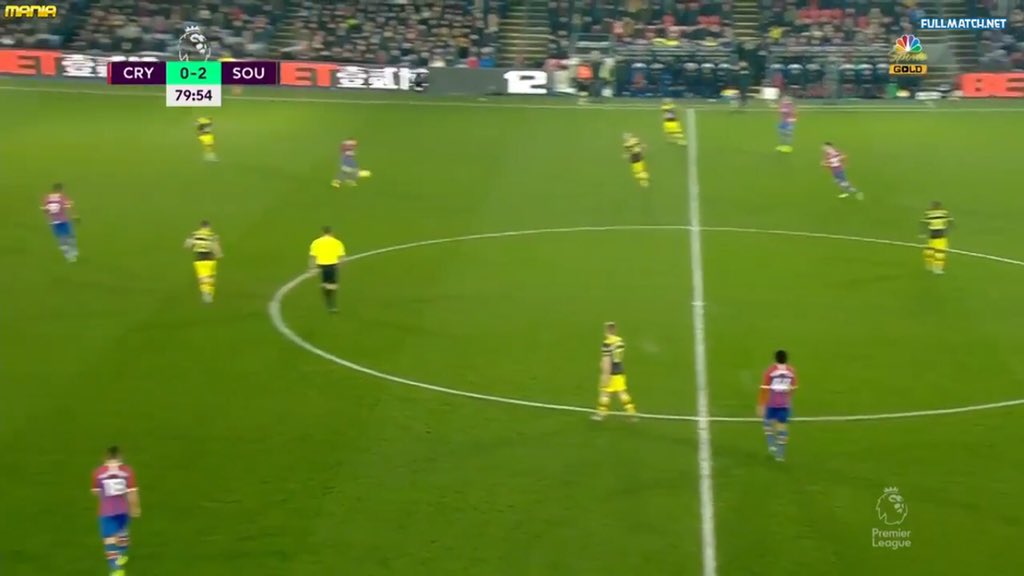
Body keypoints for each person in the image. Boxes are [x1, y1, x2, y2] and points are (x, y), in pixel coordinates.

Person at [92, 446, 140, 576]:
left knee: (110, 540)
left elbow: (95, 492)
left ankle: (116, 566)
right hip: (122, 510)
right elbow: (132, 492)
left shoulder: (98, 473)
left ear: (105, 458)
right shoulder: (127, 471)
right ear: (120, 458)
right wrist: (135, 507)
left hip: (106, 512)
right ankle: (119, 561)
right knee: (118, 536)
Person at [593, 322, 638, 420]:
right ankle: (631, 412)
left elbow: (607, 361)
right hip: (620, 370)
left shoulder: (607, 344)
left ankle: (601, 413)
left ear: (607, 331)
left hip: (611, 372)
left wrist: (605, 375)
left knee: (605, 392)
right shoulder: (620, 342)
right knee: (622, 392)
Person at [758, 350, 798, 462]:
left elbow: (764, 388)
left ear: (775, 358)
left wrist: (761, 404)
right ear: (786, 359)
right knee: (782, 427)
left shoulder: (770, 371)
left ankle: (771, 443)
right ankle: (780, 454)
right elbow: (794, 387)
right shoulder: (791, 371)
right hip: (784, 404)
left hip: (771, 403)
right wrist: (787, 396)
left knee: (767, 422)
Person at [309, 226, 346, 312]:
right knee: (333, 285)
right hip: (332, 265)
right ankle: (331, 304)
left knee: (327, 283)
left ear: (322, 233)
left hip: (320, 265)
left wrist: (312, 268)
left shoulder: (316, 242)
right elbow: (342, 257)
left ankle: (326, 294)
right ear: (331, 233)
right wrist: (341, 265)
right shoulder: (337, 242)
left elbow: (312, 256)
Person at [183, 220, 223, 303]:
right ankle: (209, 293)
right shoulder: (212, 235)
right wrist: (219, 255)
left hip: (199, 258)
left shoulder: (194, 234)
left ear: (200, 226)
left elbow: (187, 245)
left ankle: (205, 293)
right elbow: (215, 246)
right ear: (209, 226)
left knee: (202, 276)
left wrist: (194, 246)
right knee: (211, 276)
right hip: (210, 258)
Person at [40, 182, 78, 262]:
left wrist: (49, 219)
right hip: (63, 220)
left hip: (54, 221)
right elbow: (69, 206)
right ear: (60, 189)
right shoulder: (62, 197)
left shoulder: (47, 197)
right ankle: (72, 253)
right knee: (71, 236)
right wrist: (75, 216)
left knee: (61, 238)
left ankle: (67, 254)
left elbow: (45, 210)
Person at [921, 201, 954, 274]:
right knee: (940, 252)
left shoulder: (929, 213)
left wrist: (923, 233)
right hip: (940, 235)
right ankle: (937, 268)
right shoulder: (943, 212)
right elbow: (949, 221)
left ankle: (929, 265)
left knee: (930, 250)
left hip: (932, 235)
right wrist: (949, 229)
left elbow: (925, 223)